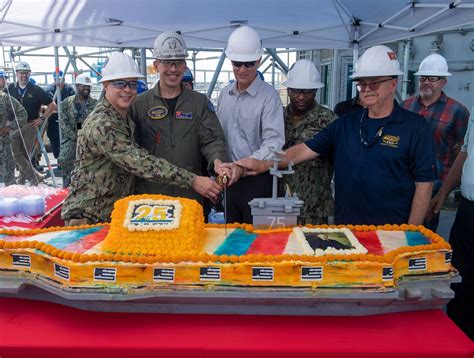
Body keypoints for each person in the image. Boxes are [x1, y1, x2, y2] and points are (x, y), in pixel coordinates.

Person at [236, 45, 437, 226]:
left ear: (393, 84)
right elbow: (302, 151)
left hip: (392, 231)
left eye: (373, 83)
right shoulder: (345, 123)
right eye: (361, 83)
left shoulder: (415, 128)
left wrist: (411, 231)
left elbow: (424, 185)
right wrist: (262, 164)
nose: (366, 89)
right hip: (347, 229)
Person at [62, 52, 224, 225]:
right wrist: (192, 180)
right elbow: (140, 162)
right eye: (119, 83)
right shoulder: (103, 124)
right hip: (89, 217)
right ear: (105, 85)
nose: (127, 90)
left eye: (132, 84)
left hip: (111, 214)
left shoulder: (122, 117)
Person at [130, 32, 228, 204]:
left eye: (179, 62)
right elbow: (130, 150)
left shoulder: (199, 103)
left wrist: (217, 160)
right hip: (151, 198)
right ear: (156, 65)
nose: (173, 69)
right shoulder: (139, 104)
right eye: (167, 62)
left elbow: (212, 140)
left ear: (185, 65)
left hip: (191, 197)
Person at [217, 26, 285, 223]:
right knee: (230, 241)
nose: (242, 69)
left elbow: (274, 143)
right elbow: (219, 137)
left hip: (258, 181)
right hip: (229, 180)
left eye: (248, 64)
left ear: (259, 61)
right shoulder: (224, 95)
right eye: (237, 63)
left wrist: (243, 166)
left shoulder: (269, 98)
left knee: (256, 245)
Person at [402, 53, 470, 231]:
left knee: (423, 238)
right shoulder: (405, 106)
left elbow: (462, 152)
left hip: (433, 187)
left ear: (443, 82)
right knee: (393, 233)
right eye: (423, 77)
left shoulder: (457, 111)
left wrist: (444, 192)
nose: (426, 82)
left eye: (432, 78)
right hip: (401, 182)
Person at [427, 108, 474, 340]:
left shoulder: (457, 110)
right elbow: (465, 152)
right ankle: (460, 340)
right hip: (468, 210)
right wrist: (443, 193)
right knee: (460, 278)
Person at [282, 59, 335, 224]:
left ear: (316, 91)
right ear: (288, 90)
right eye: (296, 91)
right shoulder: (277, 117)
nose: (301, 97)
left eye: (307, 92)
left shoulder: (329, 120)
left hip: (314, 209)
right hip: (279, 205)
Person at [6, 61, 56, 185]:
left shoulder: (36, 89)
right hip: (14, 125)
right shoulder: (10, 88)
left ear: (30, 74)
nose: (24, 76)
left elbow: (52, 105)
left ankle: (22, 180)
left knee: (25, 154)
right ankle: (35, 176)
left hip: (29, 125)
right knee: (14, 153)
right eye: (21, 73)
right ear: (17, 74)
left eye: (26, 73)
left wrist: (42, 118)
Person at [58, 74, 98, 188]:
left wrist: (86, 136)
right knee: (65, 159)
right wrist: (75, 136)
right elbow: (63, 121)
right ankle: (67, 187)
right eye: (83, 86)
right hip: (71, 139)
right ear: (77, 86)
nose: (86, 88)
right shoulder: (67, 103)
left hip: (89, 140)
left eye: (88, 86)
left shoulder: (95, 104)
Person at [45, 71, 76, 159]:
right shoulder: (50, 90)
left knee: (69, 136)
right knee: (54, 137)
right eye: (57, 79)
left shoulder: (69, 89)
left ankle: (68, 158)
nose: (59, 82)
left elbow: (74, 102)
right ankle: (58, 158)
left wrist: (59, 108)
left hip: (68, 119)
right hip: (53, 119)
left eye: (61, 79)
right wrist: (63, 108)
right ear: (54, 80)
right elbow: (50, 105)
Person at [0, 89, 28, 186]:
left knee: (9, 178)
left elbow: (22, 113)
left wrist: (9, 128)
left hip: (3, 143)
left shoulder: (4, 98)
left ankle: (11, 198)